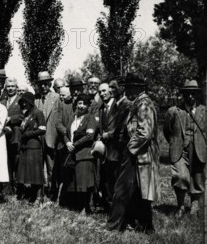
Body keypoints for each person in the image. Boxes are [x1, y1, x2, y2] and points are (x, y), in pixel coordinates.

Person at [107, 72, 160, 233]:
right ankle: (146, 226)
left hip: (137, 154)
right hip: (139, 153)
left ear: (137, 88)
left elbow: (144, 132)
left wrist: (129, 150)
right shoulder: (140, 103)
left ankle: (114, 227)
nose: (127, 92)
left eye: (129, 88)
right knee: (139, 192)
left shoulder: (143, 105)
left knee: (121, 189)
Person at [164, 79, 206, 217]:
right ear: (183, 95)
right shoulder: (174, 111)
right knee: (180, 176)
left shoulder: (204, 111)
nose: (190, 96)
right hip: (179, 150)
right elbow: (167, 130)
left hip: (199, 149)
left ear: (197, 95)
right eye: (187, 93)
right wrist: (174, 142)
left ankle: (195, 206)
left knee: (197, 178)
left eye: (193, 93)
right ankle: (180, 206)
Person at [60, 94, 97, 213]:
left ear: (88, 106)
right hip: (72, 154)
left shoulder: (90, 118)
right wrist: (67, 143)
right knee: (73, 182)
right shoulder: (72, 118)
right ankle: (74, 206)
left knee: (83, 183)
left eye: (84, 104)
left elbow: (89, 136)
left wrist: (74, 144)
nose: (81, 106)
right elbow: (65, 133)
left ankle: (84, 208)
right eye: (79, 103)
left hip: (84, 155)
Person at [34, 71, 61, 200]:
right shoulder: (36, 99)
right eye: (40, 84)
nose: (43, 87)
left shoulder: (56, 97)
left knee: (52, 168)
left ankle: (53, 194)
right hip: (38, 139)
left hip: (51, 138)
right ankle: (40, 194)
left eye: (45, 84)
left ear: (50, 83)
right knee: (39, 167)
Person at [16, 92, 46, 203]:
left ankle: (39, 197)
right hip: (25, 146)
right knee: (26, 172)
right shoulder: (26, 114)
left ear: (31, 102)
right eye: (22, 102)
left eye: (26, 102)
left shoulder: (38, 113)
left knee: (36, 172)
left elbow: (42, 129)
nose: (24, 105)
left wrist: (28, 134)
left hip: (34, 147)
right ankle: (30, 195)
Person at [1, 77, 22, 195]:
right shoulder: (2, 101)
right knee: (6, 162)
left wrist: (10, 119)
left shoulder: (21, 100)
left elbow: (24, 116)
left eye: (12, 86)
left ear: (16, 87)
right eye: (8, 86)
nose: (10, 88)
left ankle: (19, 188)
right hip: (4, 136)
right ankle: (8, 188)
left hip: (16, 135)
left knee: (17, 162)